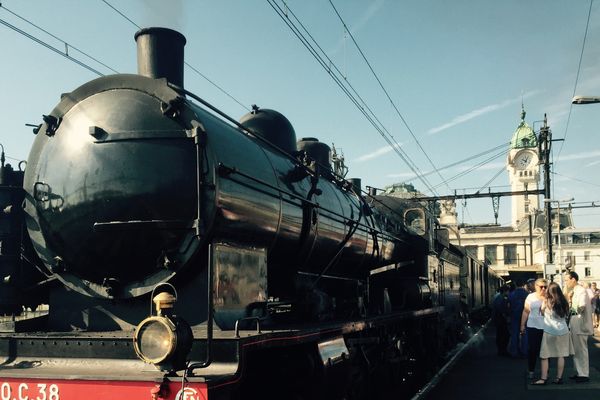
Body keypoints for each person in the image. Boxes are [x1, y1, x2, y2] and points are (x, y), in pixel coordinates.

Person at [532, 282, 571, 385]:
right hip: (563, 331)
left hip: (549, 331)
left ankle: (543, 379)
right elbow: (566, 316)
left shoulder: (547, 301)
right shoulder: (564, 301)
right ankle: (559, 378)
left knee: (544, 356)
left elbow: (542, 313)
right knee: (561, 355)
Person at [565, 271, 593, 382]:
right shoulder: (575, 290)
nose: (566, 282)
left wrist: (570, 300)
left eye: (567, 279)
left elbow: (581, 306)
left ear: (573, 279)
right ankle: (578, 371)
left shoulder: (581, 291)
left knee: (581, 349)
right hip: (575, 321)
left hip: (580, 322)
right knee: (576, 349)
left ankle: (584, 374)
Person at [520, 278, 547, 379]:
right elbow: (526, 311)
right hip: (532, 326)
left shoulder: (549, 296)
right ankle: (531, 370)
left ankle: (545, 372)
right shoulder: (530, 297)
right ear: (536, 287)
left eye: (545, 287)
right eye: (541, 287)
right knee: (532, 349)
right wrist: (522, 325)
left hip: (546, 327)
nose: (543, 289)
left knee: (545, 350)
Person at [508, 281, 528, 357]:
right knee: (525, 334)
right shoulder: (527, 294)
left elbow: (508, 305)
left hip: (514, 316)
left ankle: (514, 352)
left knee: (514, 334)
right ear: (523, 285)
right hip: (525, 316)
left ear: (516, 285)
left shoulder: (512, 294)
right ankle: (524, 351)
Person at [492, 285, 510, 356]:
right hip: (500, 320)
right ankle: (502, 351)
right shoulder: (501, 298)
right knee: (504, 335)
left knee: (501, 335)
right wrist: (506, 317)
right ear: (505, 291)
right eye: (508, 291)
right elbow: (501, 310)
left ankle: (501, 351)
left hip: (498, 319)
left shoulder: (499, 297)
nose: (509, 292)